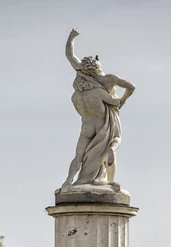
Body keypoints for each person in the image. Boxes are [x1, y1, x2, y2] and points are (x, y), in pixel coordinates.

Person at [62, 28, 135, 190]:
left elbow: (69, 55)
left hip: (87, 126)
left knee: (79, 156)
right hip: (104, 123)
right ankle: (111, 164)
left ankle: (68, 181)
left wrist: (71, 37)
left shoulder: (77, 95)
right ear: (97, 66)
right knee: (115, 141)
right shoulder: (104, 84)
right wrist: (121, 100)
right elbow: (127, 90)